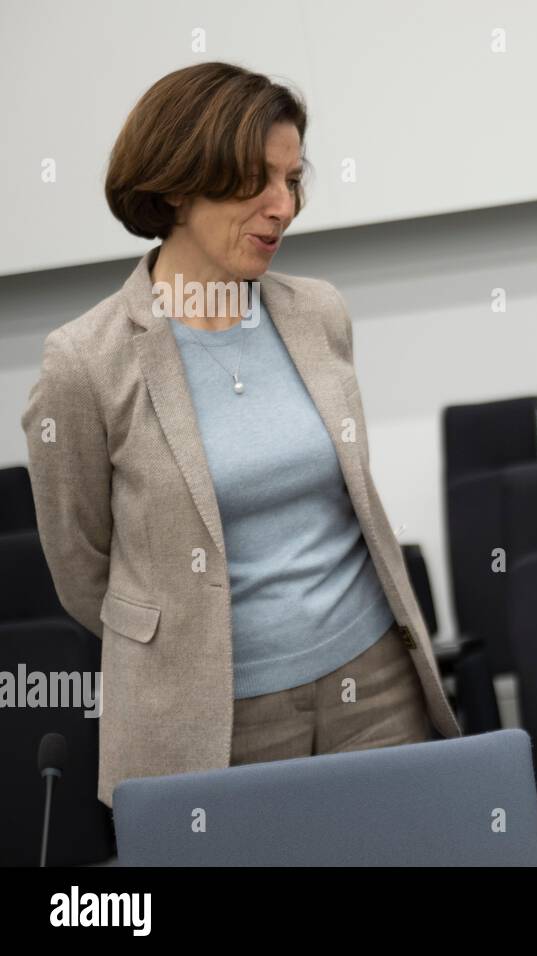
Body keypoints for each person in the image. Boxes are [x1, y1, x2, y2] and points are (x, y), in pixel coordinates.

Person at [21, 62, 459, 809]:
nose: (282, 206)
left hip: (376, 686)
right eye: (257, 181)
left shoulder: (318, 313)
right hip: (212, 720)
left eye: (292, 181)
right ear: (176, 186)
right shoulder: (86, 360)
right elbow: (82, 568)